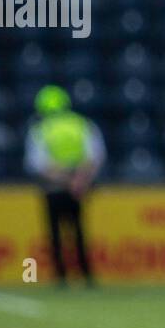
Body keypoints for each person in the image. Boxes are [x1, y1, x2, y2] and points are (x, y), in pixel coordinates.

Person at [25, 85, 105, 285]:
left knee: (55, 235)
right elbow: (95, 156)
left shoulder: (40, 130)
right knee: (79, 232)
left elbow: (37, 164)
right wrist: (78, 181)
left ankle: (60, 277)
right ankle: (86, 276)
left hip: (53, 189)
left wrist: (64, 180)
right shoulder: (82, 124)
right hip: (78, 189)